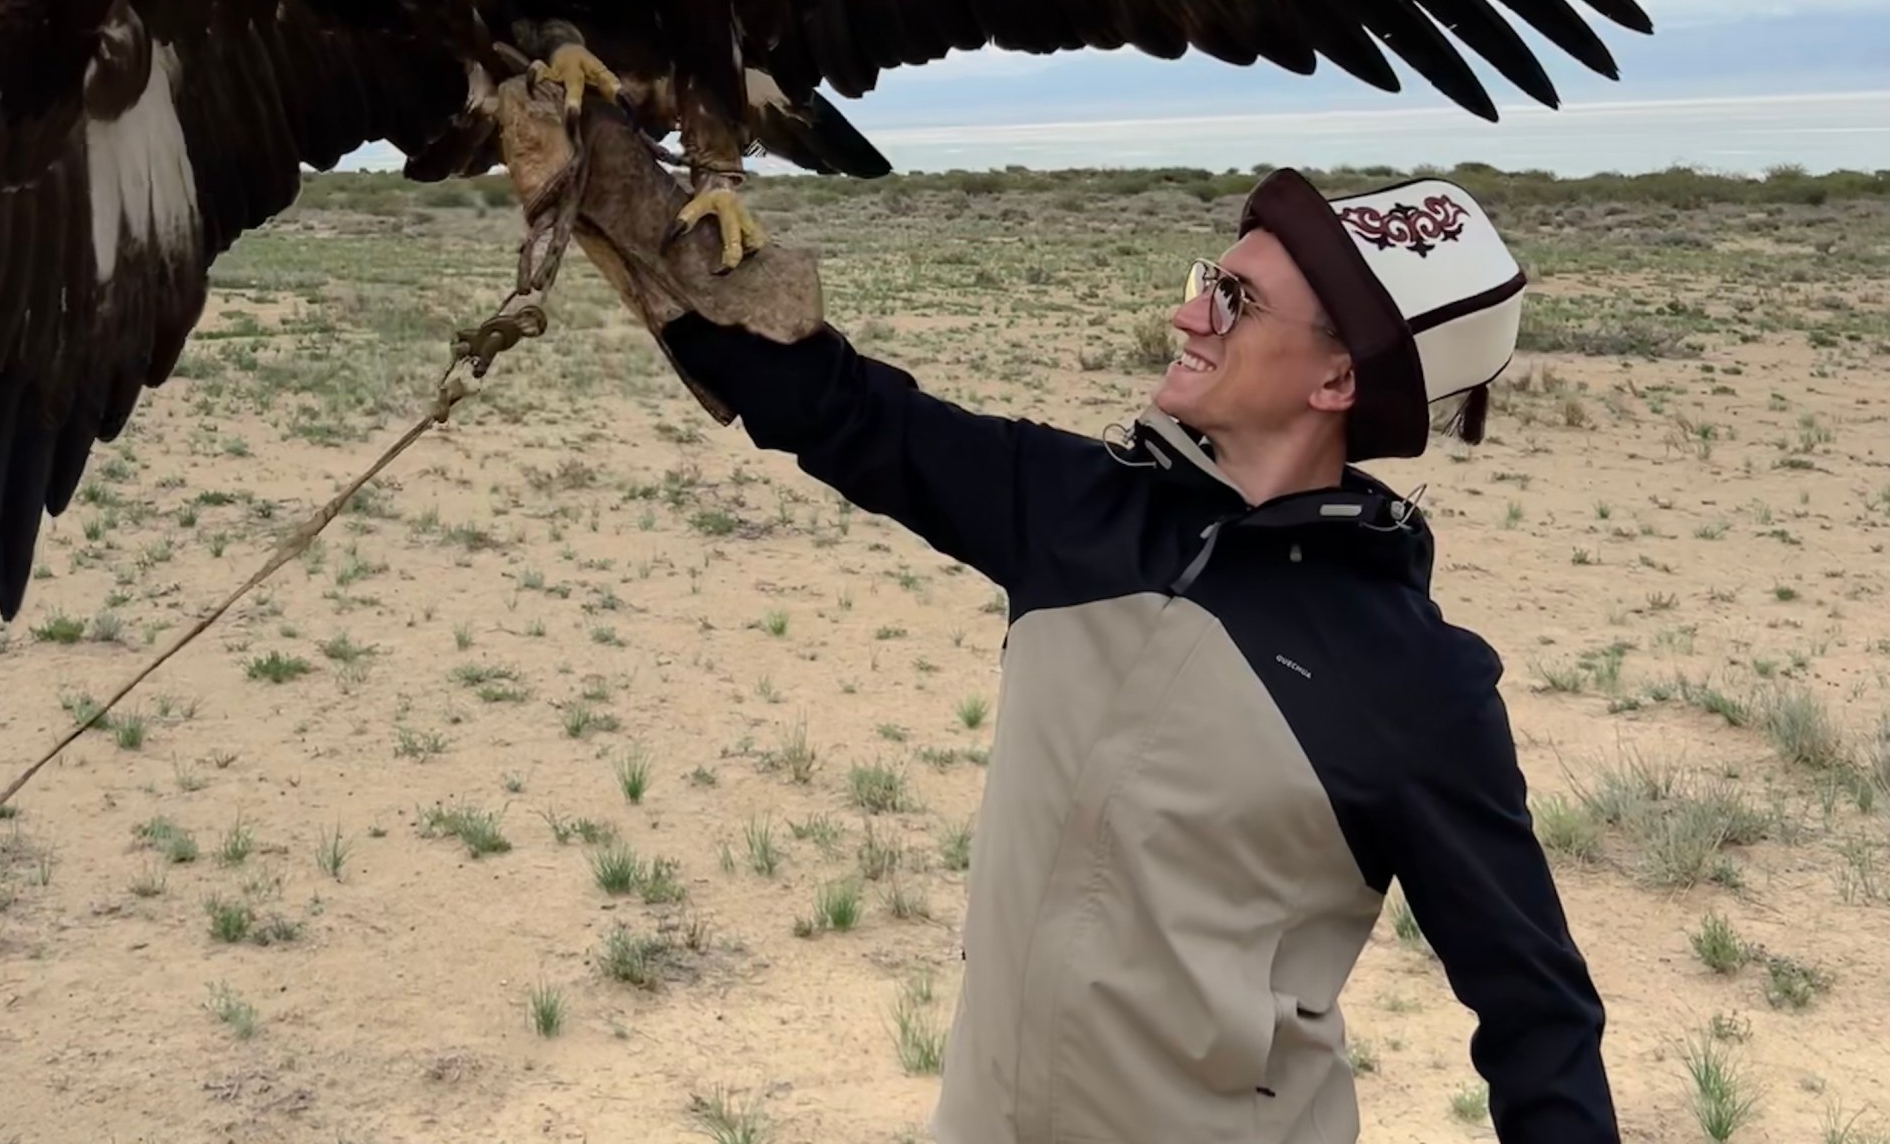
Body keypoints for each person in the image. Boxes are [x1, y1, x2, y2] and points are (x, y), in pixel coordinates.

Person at [659, 167, 1618, 1144]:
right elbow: (838, 409)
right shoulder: (1071, 509)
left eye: (1235, 300)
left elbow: (1536, 1012)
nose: (1187, 313)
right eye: (1209, 278)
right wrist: (644, 226)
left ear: (1336, 381)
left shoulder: (1414, 682)